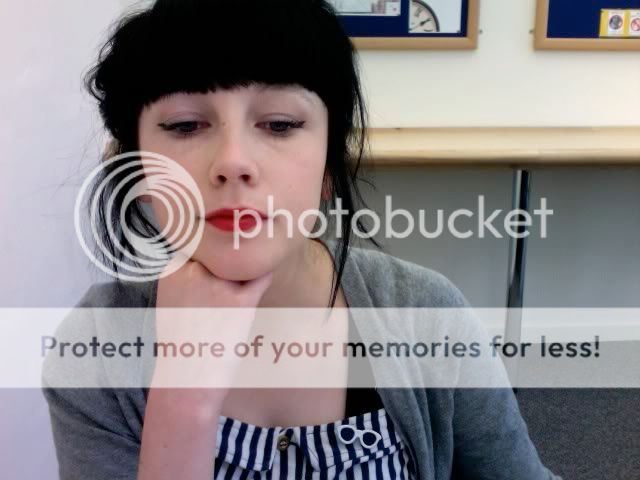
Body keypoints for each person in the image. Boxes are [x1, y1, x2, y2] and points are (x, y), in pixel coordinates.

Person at [41, 1, 562, 479]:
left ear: (328, 166)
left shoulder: (425, 311)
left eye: (280, 124)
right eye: (184, 125)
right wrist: (184, 397)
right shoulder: (95, 350)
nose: (233, 162)